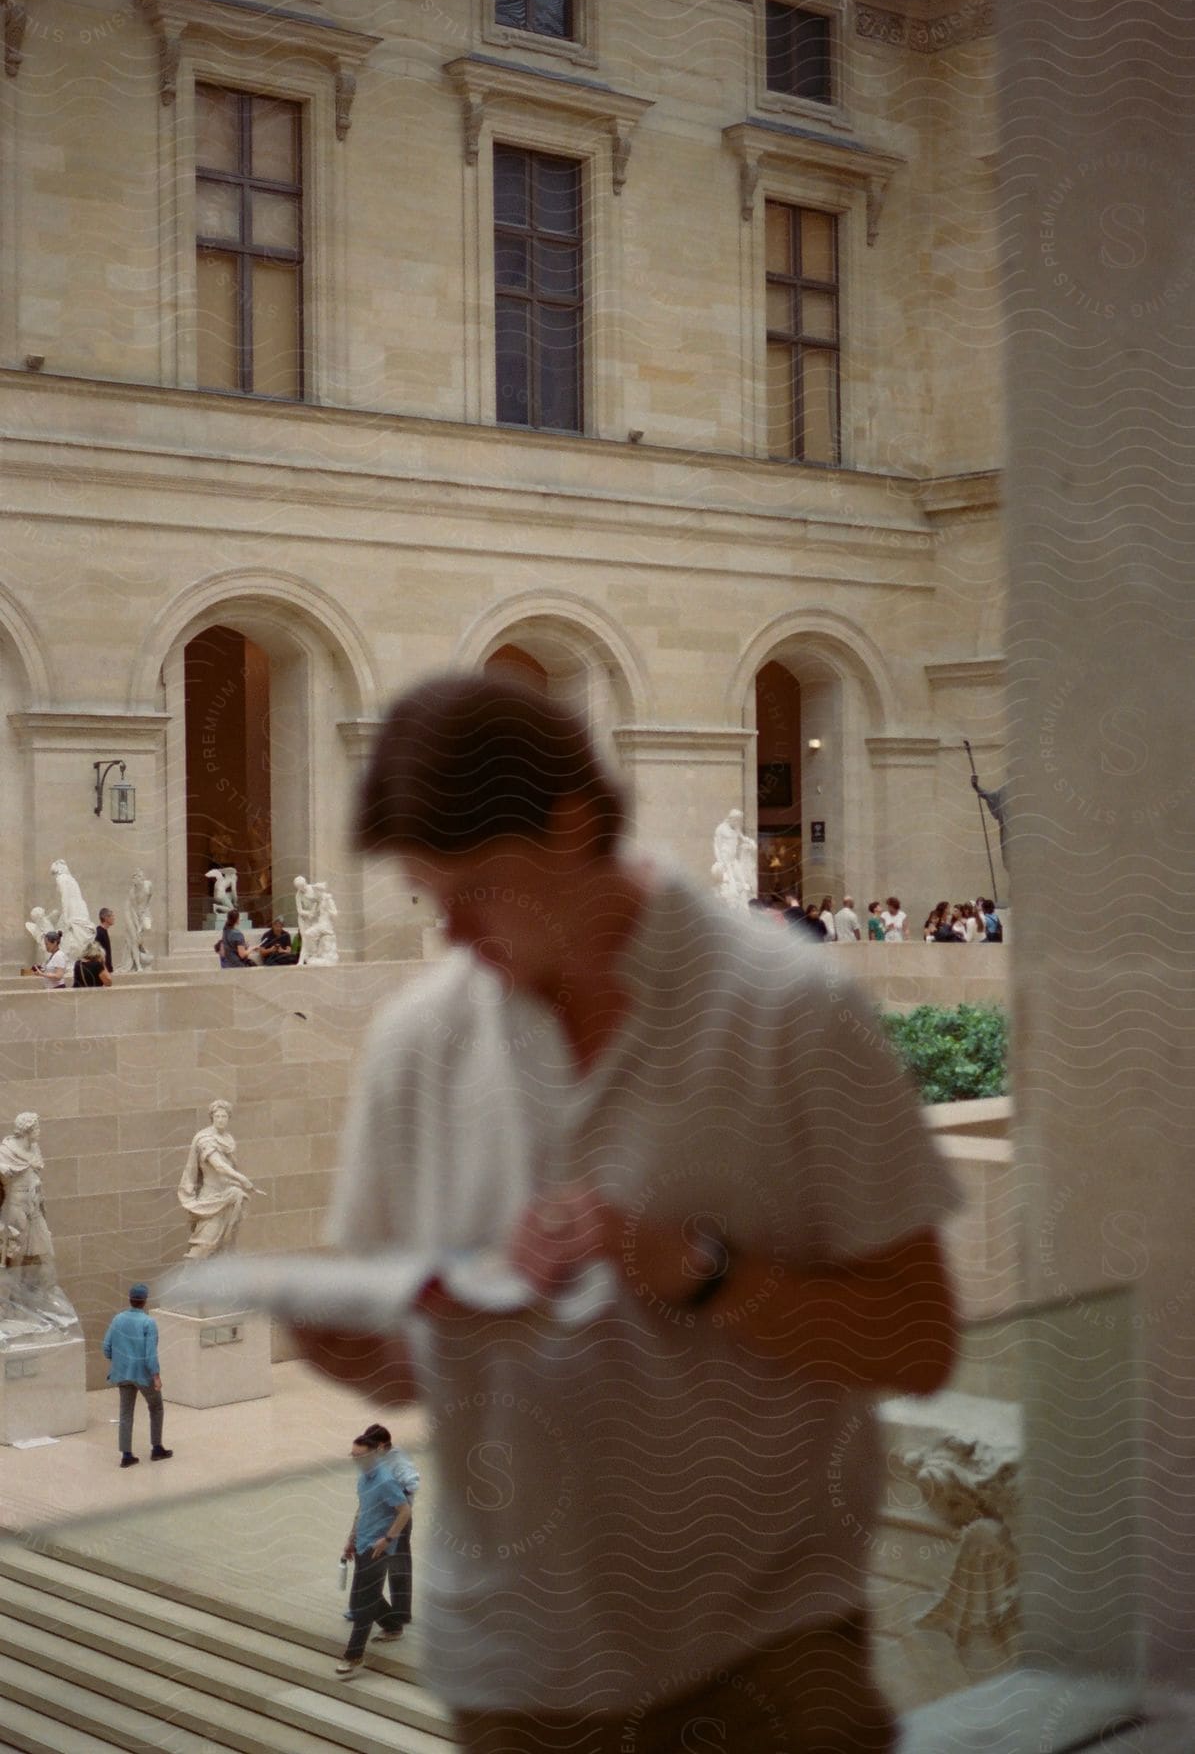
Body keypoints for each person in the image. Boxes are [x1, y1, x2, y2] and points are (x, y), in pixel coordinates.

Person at [295, 671, 960, 1752]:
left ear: (569, 827)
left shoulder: (793, 1013)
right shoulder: (416, 1045)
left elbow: (917, 1339)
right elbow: (420, 1356)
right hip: (518, 1676)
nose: (453, 935)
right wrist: (363, 1345)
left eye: (475, 892)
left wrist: (704, 1270)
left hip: (766, 1666)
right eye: (430, 899)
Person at [336, 1428, 413, 1679]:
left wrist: (388, 1538)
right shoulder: (363, 1479)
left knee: (364, 1603)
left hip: (379, 1549)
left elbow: (404, 1512)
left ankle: (353, 1655)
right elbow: (363, 1510)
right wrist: (351, 1538)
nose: (356, 1461)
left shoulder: (385, 1480)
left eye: (360, 1456)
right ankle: (393, 1625)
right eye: (353, 1456)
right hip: (362, 1545)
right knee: (362, 1598)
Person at [342, 1420, 419, 1633]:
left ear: (383, 1446)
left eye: (375, 1447)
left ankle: (400, 1613)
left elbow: (412, 1485)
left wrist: (392, 1491)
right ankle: (358, 1606)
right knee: (364, 1562)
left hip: (395, 1519)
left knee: (398, 1565)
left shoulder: (398, 1462)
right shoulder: (370, 1465)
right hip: (372, 1519)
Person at [177, 1101, 265, 1259]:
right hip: (212, 1198)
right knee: (204, 1245)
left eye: (224, 1116)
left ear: (228, 1118)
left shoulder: (228, 1139)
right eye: (217, 1116)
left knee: (226, 1245)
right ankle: (186, 1280)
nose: (220, 1120)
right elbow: (219, 1166)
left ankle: (218, 1279)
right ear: (211, 1117)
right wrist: (244, 1180)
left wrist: (237, 1184)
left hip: (229, 1194)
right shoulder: (205, 1139)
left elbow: (230, 1167)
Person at [102, 1283, 172, 1469]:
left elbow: (106, 1347)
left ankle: (126, 1454)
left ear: (130, 1299)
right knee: (156, 1408)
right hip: (142, 1374)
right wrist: (155, 1375)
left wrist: (118, 1361)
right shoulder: (148, 1322)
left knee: (125, 1413)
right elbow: (150, 1354)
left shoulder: (117, 1319)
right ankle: (156, 1447)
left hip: (122, 1373)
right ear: (145, 1301)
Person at [0, 1113, 53, 1271]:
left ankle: (38, 1290)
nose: (39, 1131)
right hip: (15, 1206)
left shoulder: (34, 1148)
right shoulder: (6, 1150)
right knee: (16, 1254)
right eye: (36, 1127)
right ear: (26, 1129)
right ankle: (14, 1293)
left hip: (34, 1205)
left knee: (43, 1252)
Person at [94, 908, 115, 974]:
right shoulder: (99, 932)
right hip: (102, 971)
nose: (114, 918)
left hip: (106, 969)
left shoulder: (104, 931)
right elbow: (96, 952)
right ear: (105, 918)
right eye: (112, 916)